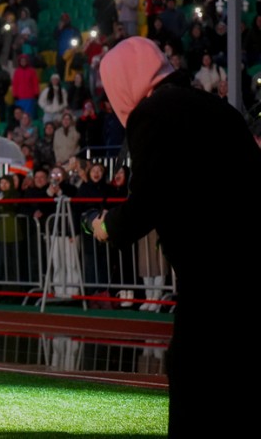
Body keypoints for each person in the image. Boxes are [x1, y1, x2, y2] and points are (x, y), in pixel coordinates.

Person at [92, 37, 261, 438]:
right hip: (248, 261)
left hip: (210, 273)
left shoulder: (150, 115)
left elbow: (149, 197)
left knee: (193, 382)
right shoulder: (214, 107)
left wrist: (108, 227)